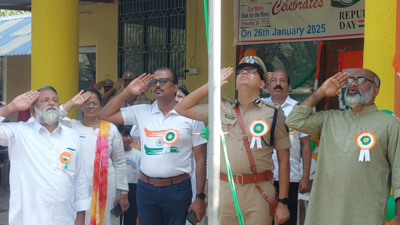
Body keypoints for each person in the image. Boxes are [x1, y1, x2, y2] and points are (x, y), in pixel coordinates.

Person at [175, 56, 291, 225]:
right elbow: (181, 108)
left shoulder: (274, 113)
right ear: (235, 84)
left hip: (258, 192)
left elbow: (284, 160)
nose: (245, 72)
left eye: (252, 70)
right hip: (224, 191)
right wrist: (210, 86)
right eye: (241, 70)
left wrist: (283, 202)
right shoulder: (220, 107)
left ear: (262, 84)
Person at [285, 69, 400, 225]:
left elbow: (399, 173)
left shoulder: (389, 124)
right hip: (324, 213)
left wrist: (398, 216)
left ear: (375, 91)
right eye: (350, 80)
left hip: (364, 214)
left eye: (360, 80)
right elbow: (293, 120)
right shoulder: (330, 118)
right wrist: (321, 92)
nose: (353, 83)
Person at [99, 69, 208, 225]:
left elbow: (201, 159)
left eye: (163, 81)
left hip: (178, 189)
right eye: (153, 82)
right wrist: (128, 90)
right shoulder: (142, 111)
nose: (157, 85)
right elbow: (104, 114)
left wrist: (200, 197)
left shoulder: (191, 116)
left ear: (175, 87)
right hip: (146, 189)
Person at [0, 87, 91, 225]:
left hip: (65, 218)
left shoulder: (71, 135)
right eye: (45, 100)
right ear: (32, 109)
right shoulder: (19, 131)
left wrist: (81, 217)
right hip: (27, 219)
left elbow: (80, 179)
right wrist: (11, 107)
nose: (52, 103)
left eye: (55, 100)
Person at [61, 88, 129, 225]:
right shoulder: (71, 127)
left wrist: (123, 192)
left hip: (107, 188)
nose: (91, 106)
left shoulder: (111, 129)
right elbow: (51, 119)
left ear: (100, 105)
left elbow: (120, 162)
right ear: (81, 105)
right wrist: (71, 103)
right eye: (86, 103)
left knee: (105, 220)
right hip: (79, 187)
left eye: (95, 103)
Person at [263, 70, 311, 225]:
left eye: (282, 80)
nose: (278, 84)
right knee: (263, 218)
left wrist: (305, 176)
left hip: (290, 176)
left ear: (289, 86)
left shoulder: (298, 110)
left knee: (286, 220)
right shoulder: (259, 108)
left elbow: (305, 145)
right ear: (267, 86)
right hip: (263, 175)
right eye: (273, 81)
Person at [117, 124, 141, 225]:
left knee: (130, 217)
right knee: (116, 217)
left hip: (134, 189)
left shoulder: (138, 154)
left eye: (130, 135)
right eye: (125, 135)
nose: (128, 138)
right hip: (118, 189)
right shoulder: (115, 154)